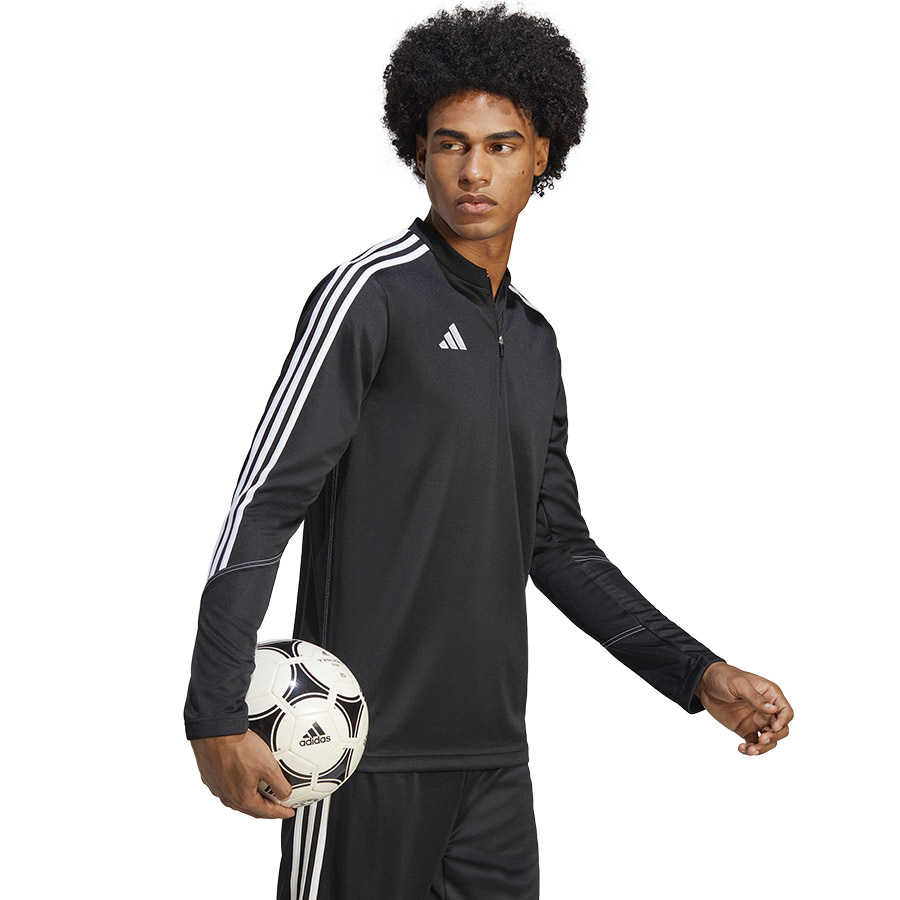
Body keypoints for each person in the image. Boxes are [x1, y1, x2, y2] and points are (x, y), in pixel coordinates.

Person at [186, 5, 794, 899]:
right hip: (353, 751)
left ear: (542, 153)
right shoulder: (370, 296)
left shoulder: (534, 341)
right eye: (451, 145)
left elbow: (556, 545)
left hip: (494, 761)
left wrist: (697, 673)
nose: (474, 171)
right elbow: (266, 501)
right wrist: (212, 711)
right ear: (419, 152)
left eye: (501, 145)